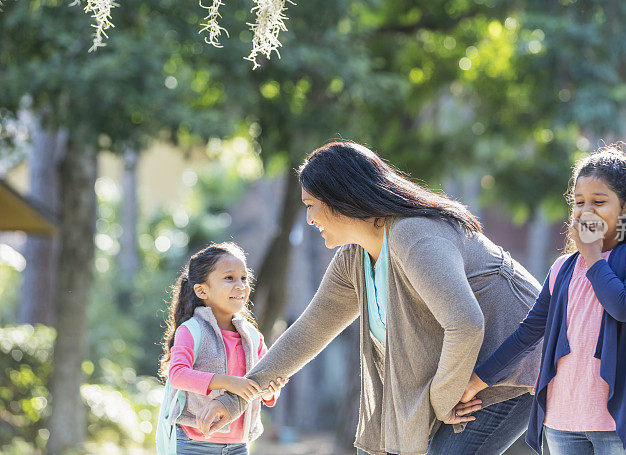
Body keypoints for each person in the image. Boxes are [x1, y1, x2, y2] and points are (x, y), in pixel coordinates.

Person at [197, 141, 544, 454]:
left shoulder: (414, 234)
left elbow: (465, 323)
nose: (310, 219)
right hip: (460, 376)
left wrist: (441, 397)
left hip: (513, 366)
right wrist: (236, 399)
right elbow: (310, 331)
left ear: (342, 197)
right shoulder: (354, 259)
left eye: (313, 205)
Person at [460, 145, 626, 455]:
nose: (586, 211)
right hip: (561, 421)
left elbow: (623, 307)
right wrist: (475, 383)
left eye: (599, 202)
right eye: (579, 202)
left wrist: (593, 255)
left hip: (618, 420)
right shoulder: (563, 268)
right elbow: (527, 333)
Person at [158, 242, 288, 455]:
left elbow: (264, 385)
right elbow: (177, 375)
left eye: (244, 278)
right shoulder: (191, 330)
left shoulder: (253, 337)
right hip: (193, 443)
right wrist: (229, 382)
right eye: (229, 278)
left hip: (238, 445)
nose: (240, 285)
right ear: (202, 290)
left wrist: (271, 390)